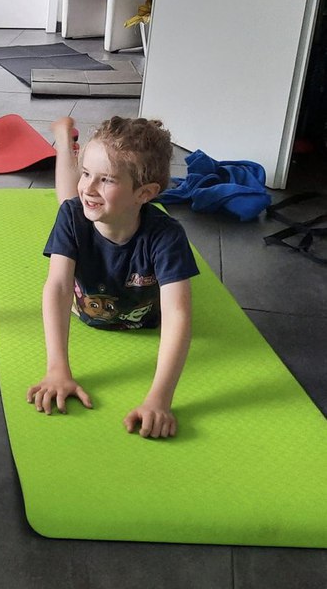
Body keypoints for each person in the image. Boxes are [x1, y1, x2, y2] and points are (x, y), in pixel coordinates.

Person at [26, 116, 199, 439]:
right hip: (87, 299)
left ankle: (71, 146)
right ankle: (64, 139)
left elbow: (178, 314)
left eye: (106, 179)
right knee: (70, 201)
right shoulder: (74, 216)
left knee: (80, 202)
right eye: (86, 173)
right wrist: (57, 369)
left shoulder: (167, 237)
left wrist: (160, 399)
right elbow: (59, 286)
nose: (90, 186)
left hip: (141, 315)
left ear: (144, 193)